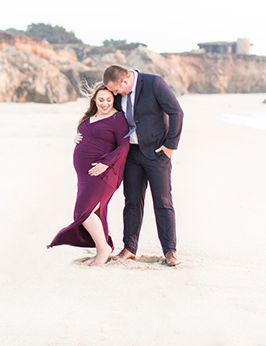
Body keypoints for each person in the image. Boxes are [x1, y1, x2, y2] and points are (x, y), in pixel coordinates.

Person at [103, 65, 184, 267]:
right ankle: (129, 248)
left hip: (157, 153)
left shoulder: (154, 82)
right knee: (132, 201)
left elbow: (176, 112)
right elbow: (104, 113)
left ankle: (170, 251)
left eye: (115, 90)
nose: (114, 94)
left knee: (163, 201)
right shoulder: (118, 90)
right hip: (131, 154)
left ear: (125, 81)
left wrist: (170, 146)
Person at [48, 84, 130, 266]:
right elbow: (88, 134)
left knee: (83, 211)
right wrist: (76, 137)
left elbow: (124, 147)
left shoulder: (118, 118)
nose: (105, 103)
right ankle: (102, 249)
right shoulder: (90, 117)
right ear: (95, 100)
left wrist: (105, 164)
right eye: (101, 100)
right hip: (84, 177)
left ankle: (103, 249)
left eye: (109, 100)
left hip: (104, 174)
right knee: (95, 212)